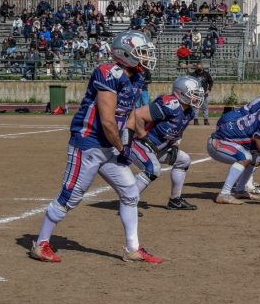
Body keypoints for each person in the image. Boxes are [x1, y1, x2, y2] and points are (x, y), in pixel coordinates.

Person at [29, 30, 161, 264]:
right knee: (71, 196)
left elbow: (129, 115)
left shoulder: (136, 78)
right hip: (88, 142)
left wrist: (128, 143)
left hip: (109, 145)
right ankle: (41, 243)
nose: (145, 58)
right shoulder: (107, 72)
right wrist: (122, 148)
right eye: (140, 53)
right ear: (125, 53)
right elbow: (108, 120)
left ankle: (133, 248)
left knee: (130, 192)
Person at [127, 76, 201, 211]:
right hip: (139, 143)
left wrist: (175, 145)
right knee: (153, 169)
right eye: (194, 94)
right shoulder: (170, 104)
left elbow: (178, 130)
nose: (197, 97)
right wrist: (144, 138)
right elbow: (138, 115)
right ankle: (128, 203)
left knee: (184, 160)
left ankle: (175, 200)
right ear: (181, 92)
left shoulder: (189, 111)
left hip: (157, 147)